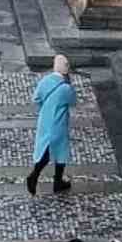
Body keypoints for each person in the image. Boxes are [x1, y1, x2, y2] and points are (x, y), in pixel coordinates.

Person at [26, 53, 76, 196]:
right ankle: (57, 181)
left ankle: (35, 175)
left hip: (45, 119)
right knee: (61, 152)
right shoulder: (65, 88)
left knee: (45, 150)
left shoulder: (45, 80)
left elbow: (36, 98)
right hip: (58, 123)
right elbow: (73, 101)